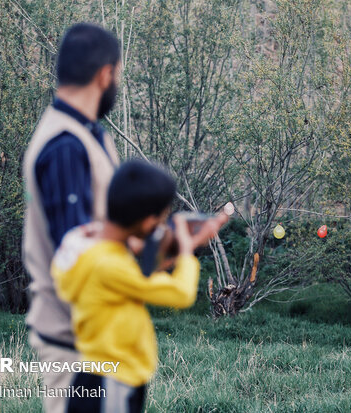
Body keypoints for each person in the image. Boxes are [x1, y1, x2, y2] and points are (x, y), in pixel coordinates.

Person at [50, 161, 228, 412]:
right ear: (147, 222)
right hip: (112, 382)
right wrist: (188, 252)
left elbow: (136, 273)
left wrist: (176, 249)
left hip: (98, 374)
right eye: (161, 218)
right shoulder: (109, 266)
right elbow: (180, 294)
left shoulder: (84, 241)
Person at [22, 23, 122, 413]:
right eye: (118, 74)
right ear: (104, 74)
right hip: (75, 345)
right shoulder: (65, 145)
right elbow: (76, 256)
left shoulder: (87, 134)